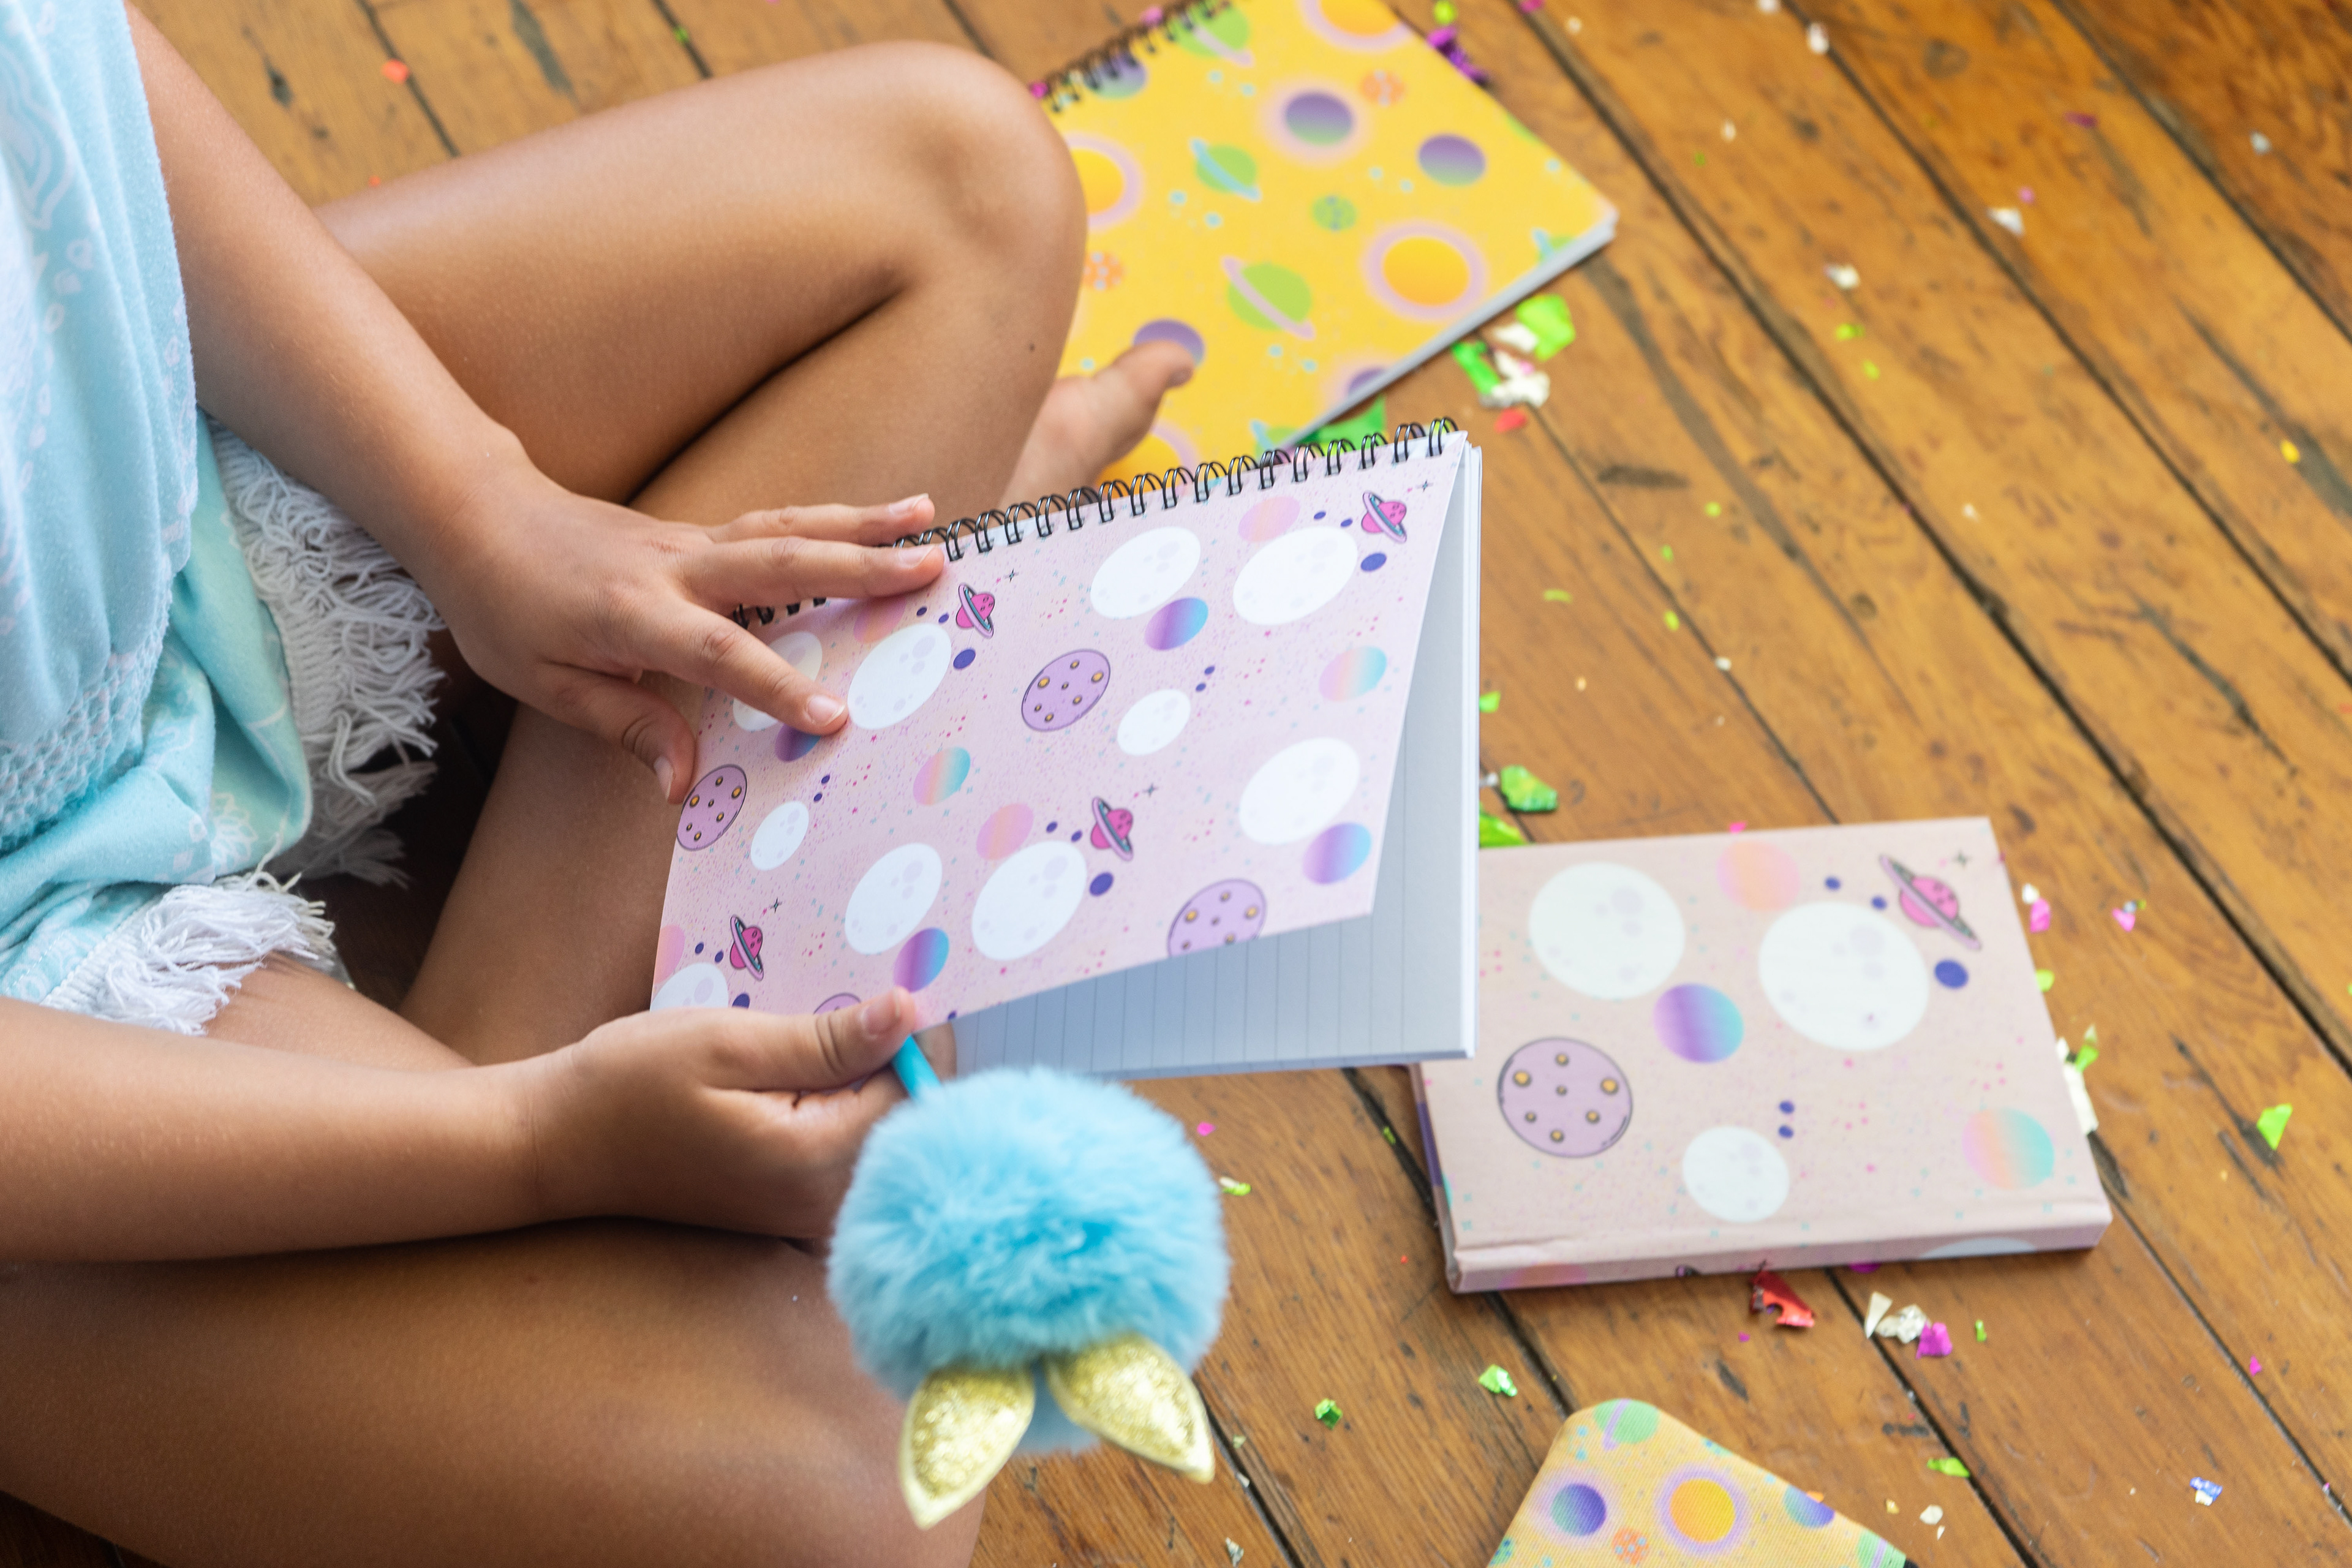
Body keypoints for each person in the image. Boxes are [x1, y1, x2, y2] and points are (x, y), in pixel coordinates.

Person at [0, 3, 1191, 1562]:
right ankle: (460, 1181)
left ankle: (454, 1160)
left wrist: (480, 503)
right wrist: (531, 1142)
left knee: (967, 183)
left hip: (129, 517)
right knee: (862, 1491)